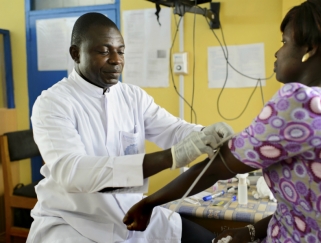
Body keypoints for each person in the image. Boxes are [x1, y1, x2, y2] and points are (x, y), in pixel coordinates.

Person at [123, 0, 321, 242]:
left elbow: (215, 169)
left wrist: (149, 202)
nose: (277, 52)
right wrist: (249, 232)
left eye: (284, 42)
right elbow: (308, 208)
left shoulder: (302, 101)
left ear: (309, 49)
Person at [27, 12, 234, 243]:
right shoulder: (53, 103)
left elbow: (173, 130)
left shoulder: (131, 96)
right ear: (76, 54)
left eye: (121, 50)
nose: (116, 59)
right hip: (73, 221)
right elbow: (73, 172)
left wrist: (205, 134)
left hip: (132, 212)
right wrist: (171, 157)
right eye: (104, 51)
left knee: (206, 240)